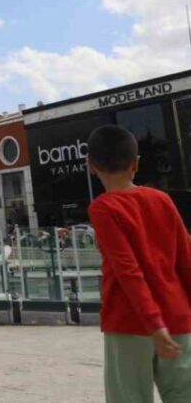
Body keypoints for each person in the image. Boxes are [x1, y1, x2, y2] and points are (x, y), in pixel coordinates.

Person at [87, 124, 191, 402]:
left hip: (130, 321)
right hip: (179, 318)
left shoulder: (104, 207)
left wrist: (153, 323)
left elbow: (127, 270)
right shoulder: (163, 200)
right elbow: (186, 260)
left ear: (91, 166)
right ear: (136, 163)